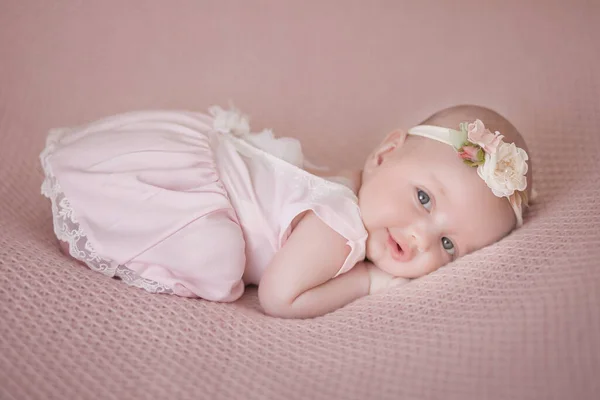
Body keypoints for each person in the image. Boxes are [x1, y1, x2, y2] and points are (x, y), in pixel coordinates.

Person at [40, 104, 532, 318]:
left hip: (187, 164)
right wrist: (367, 282)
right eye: (423, 199)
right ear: (384, 153)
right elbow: (279, 296)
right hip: (185, 196)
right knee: (217, 257)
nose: (421, 236)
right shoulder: (341, 227)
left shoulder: (346, 186)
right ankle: (116, 232)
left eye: (448, 245)